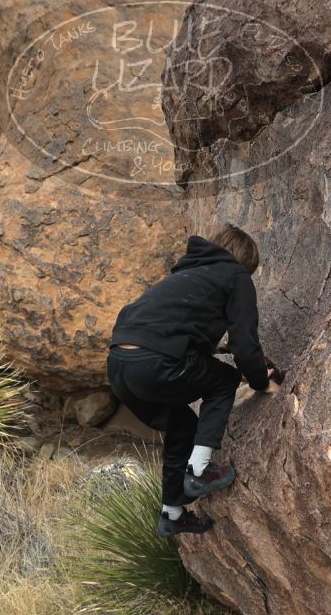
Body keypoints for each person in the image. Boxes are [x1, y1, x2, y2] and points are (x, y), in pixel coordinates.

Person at [107, 224, 280, 537]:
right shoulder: (235, 275)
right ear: (245, 263)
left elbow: (181, 333)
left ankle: (172, 514)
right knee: (224, 380)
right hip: (154, 361)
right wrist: (260, 381)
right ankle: (199, 470)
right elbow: (245, 342)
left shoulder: (185, 275)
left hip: (119, 365)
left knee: (183, 426)